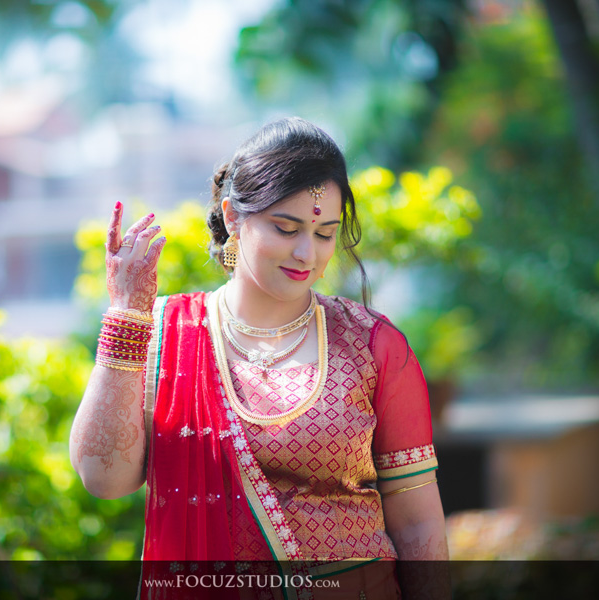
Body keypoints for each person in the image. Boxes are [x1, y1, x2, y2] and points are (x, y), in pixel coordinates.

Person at [70, 117, 449, 599]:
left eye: (325, 232)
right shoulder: (165, 335)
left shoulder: (372, 346)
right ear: (232, 216)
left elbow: (417, 522)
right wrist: (126, 316)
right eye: (286, 227)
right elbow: (104, 478)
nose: (306, 253)